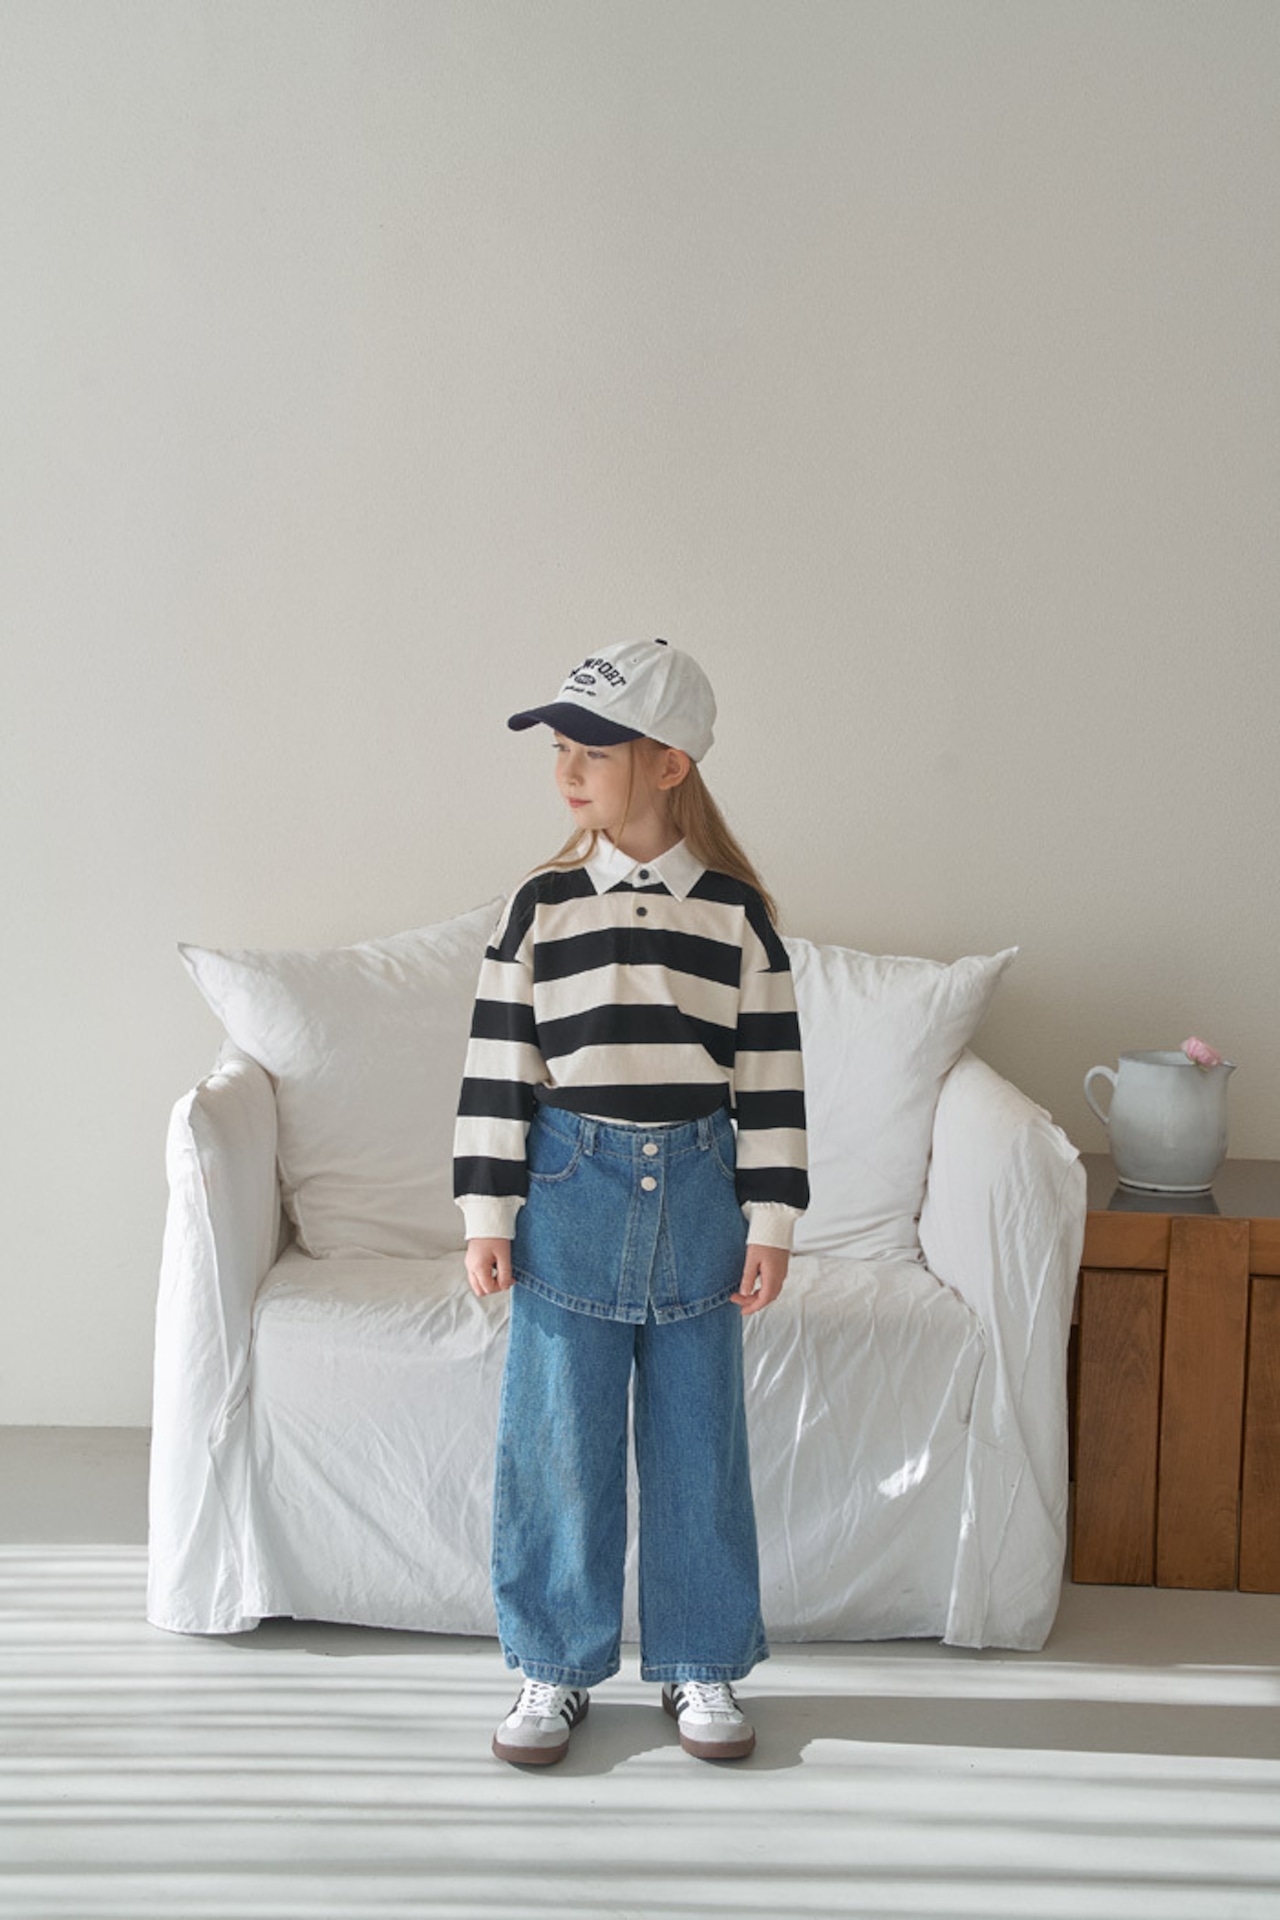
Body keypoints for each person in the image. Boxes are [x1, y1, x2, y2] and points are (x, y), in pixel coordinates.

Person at [452, 637, 809, 1766]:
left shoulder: (738, 915)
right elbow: (498, 1068)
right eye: (560, 748)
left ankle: (700, 1660)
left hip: (700, 1191)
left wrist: (771, 1223)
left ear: (668, 764)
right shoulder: (540, 906)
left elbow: (770, 1080)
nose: (567, 770)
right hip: (569, 1190)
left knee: (698, 1442)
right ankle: (552, 1668)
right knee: (559, 1442)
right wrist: (486, 1215)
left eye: (593, 751)